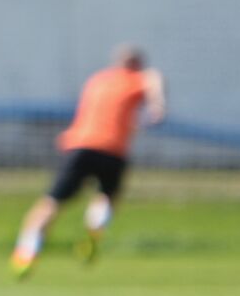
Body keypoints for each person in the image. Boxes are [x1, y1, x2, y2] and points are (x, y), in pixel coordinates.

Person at [10, 45, 165, 278]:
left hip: (79, 145)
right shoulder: (139, 78)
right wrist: (157, 104)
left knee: (51, 203)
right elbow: (154, 85)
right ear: (138, 64)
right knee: (107, 197)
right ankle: (94, 229)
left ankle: (27, 250)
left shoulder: (98, 80)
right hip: (113, 149)